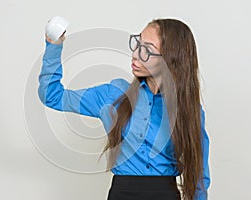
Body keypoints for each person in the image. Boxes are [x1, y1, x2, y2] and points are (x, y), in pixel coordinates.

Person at [38, 18, 210, 200]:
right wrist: (53, 46)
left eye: (147, 50)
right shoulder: (113, 95)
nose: (135, 54)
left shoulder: (189, 110)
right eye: (138, 44)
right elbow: (52, 95)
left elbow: (199, 175)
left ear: (170, 59)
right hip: (122, 193)